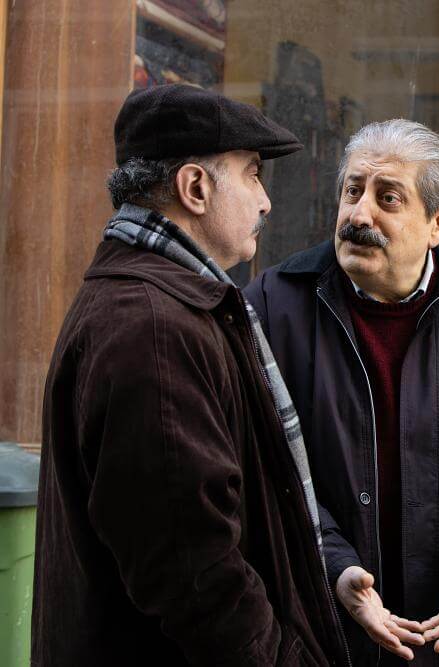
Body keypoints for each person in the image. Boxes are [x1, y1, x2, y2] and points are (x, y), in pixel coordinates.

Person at [32, 84, 350, 666]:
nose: (266, 202)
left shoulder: (158, 305)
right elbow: (196, 575)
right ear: (195, 188)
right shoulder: (153, 328)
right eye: (252, 174)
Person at [245, 119, 439, 665]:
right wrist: (334, 565)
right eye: (352, 191)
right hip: (317, 630)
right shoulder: (274, 305)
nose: (358, 214)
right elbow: (256, 463)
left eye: (387, 198)